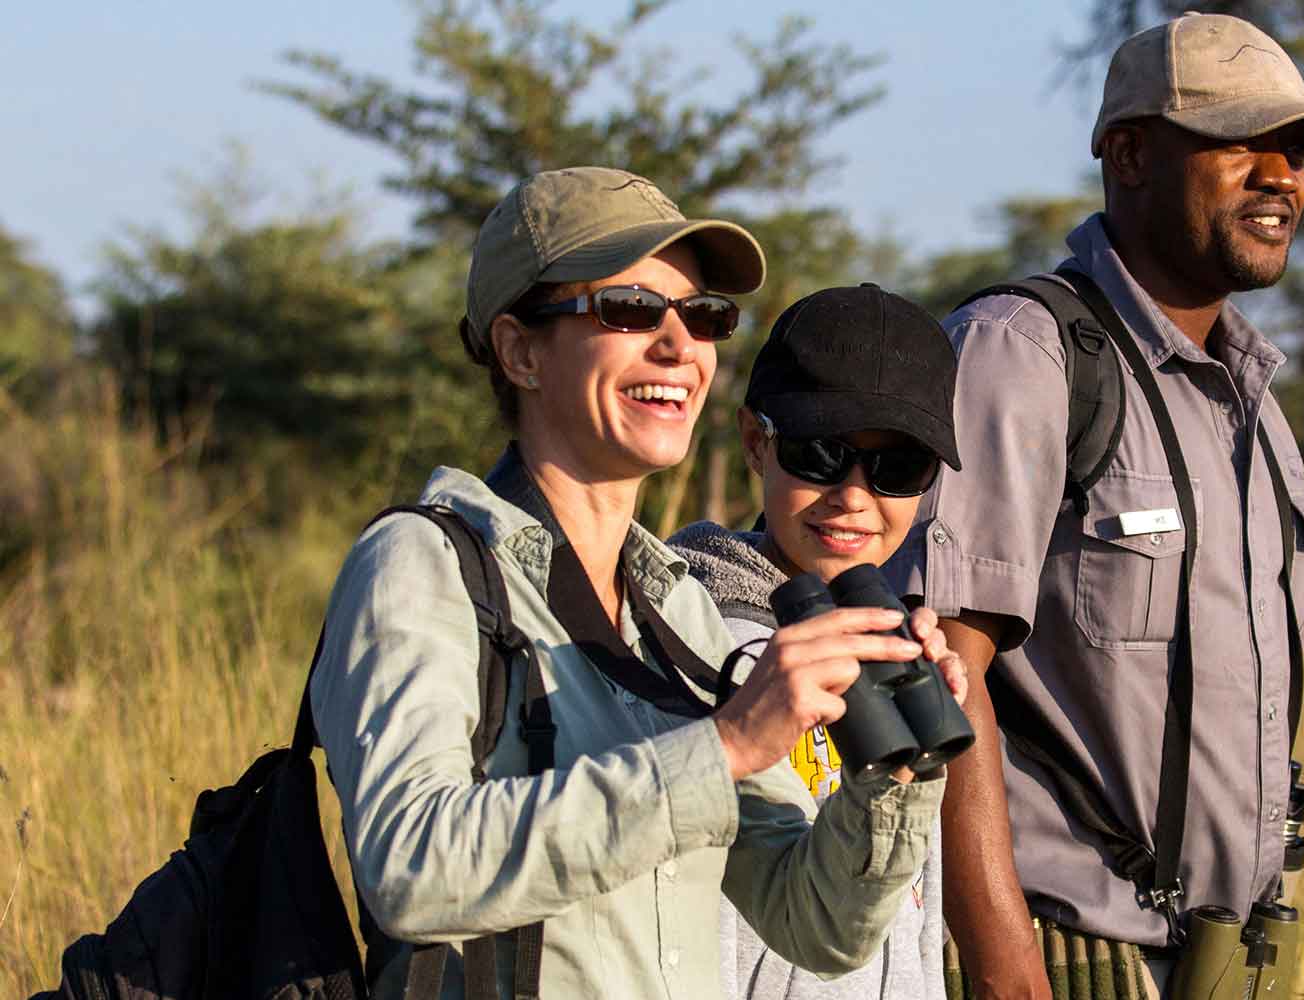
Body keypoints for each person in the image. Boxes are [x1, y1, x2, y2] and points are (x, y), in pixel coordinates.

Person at [310, 166, 962, 1000]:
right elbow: (412, 867)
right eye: (627, 309)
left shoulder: (674, 604)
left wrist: (891, 774)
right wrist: (725, 747)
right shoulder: (424, 564)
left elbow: (816, 927)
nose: (679, 346)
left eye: (703, 317)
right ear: (519, 351)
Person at [881, 14, 1304, 998]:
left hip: (1225, 960)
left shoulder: (1257, 407)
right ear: (1131, 154)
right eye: (1242, 141)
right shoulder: (1021, 353)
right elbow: (940, 674)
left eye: (1296, 151)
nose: (1281, 176)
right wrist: (1005, 959)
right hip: (1064, 953)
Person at [669, 283, 965, 1000]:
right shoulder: (688, 643)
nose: (855, 496)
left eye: (898, 469)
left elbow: (911, 920)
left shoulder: (899, 639)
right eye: (820, 454)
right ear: (754, 442)